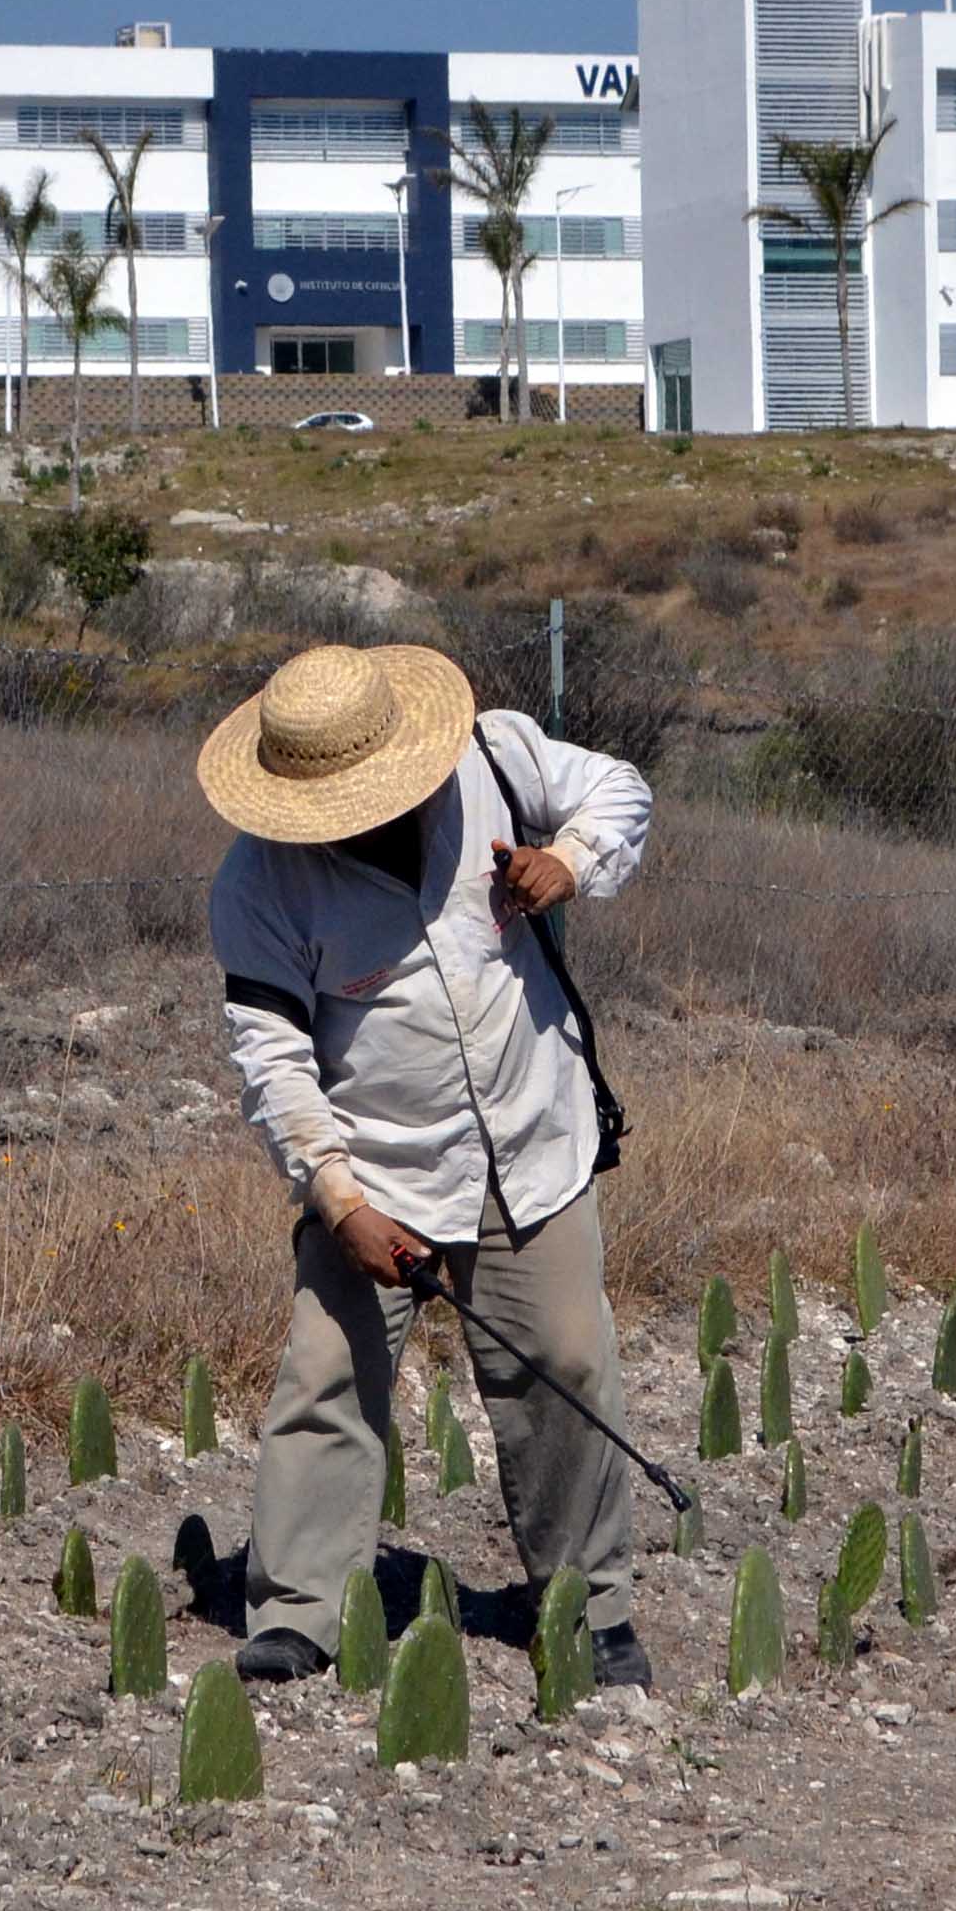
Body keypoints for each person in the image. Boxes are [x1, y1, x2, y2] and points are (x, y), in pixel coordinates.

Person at [197, 641, 654, 1688]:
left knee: (569, 1364)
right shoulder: (260, 882)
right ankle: (301, 1611)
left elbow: (622, 792)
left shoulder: (495, 762)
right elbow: (272, 1057)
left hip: (531, 1142)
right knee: (328, 1376)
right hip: (376, 1169)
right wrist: (336, 1198)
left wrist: (569, 862)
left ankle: (590, 1606)